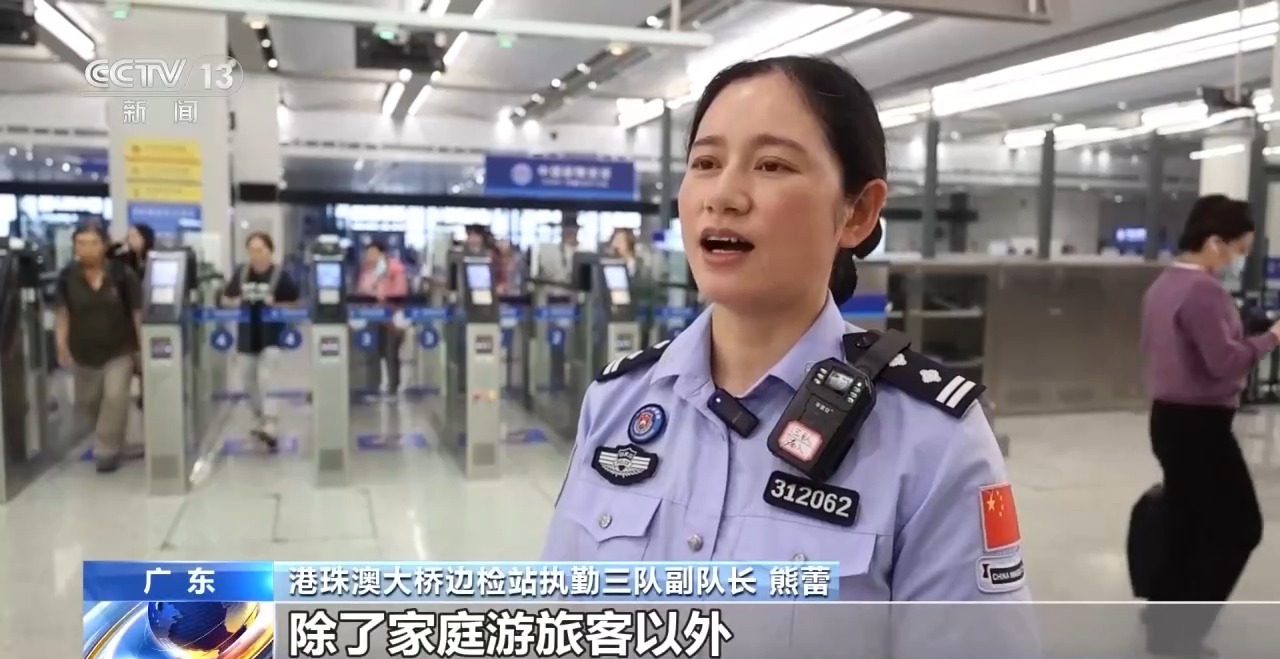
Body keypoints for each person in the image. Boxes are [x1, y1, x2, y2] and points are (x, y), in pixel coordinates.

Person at [539, 56, 1036, 655]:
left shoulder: (932, 442)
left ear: (857, 212)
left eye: (772, 164)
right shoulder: (616, 402)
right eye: (705, 163)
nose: (723, 195)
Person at [1138, 194, 1272, 658]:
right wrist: (1271, 338)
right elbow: (1225, 362)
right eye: (1238, 250)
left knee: (1186, 522)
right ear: (1215, 241)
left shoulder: (1163, 285)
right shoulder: (1204, 291)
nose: (1237, 260)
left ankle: (1163, 618)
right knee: (1240, 526)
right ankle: (1184, 632)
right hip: (1201, 426)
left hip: (1167, 419)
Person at [54, 224, 141, 473]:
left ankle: (106, 451)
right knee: (88, 402)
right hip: (83, 351)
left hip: (120, 349)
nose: (87, 249)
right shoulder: (67, 277)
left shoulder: (122, 275)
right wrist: (61, 344)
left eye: (93, 243)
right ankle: (115, 441)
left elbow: (136, 313)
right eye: (81, 243)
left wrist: (142, 349)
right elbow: (63, 313)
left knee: (115, 397)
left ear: (104, 245)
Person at [220, 232, 301, 449]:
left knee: (267, 376)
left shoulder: (280, 275)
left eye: (260, 250)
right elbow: (225, 299)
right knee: (248, 379)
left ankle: (271, 422)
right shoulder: (242, 273)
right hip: (247, 334)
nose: (255, 255)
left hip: (272, 335)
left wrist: (277, 304)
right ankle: (260, 416)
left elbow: (296, 303)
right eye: (252, 250)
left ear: (270, 251)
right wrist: (235, 302)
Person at [355, 240, 409, 401]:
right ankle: (373, 387)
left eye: (373, 253)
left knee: (391, 352)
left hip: (392, 317)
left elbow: (400, 291)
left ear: (382, 253)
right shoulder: (367, 271)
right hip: (372, 317)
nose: (369, 256)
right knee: (373, 353)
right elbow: (361, 290)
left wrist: (384, 298)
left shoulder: (395, 269)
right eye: (368, 253)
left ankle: (393, 387)